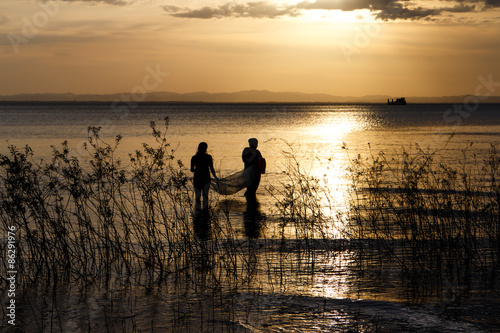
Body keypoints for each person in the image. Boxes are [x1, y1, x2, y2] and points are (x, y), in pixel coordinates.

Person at [191, 142, 218, 212]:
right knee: (205, 196)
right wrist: (216, 178)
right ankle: (206, 213)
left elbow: (192, 169)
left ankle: (198, 213)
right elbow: (212, 169)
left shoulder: (194, 158)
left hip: (197, 178)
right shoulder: (208, 157)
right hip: (206, 178)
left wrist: (198, 169)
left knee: (197, 197)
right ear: (206, 148)